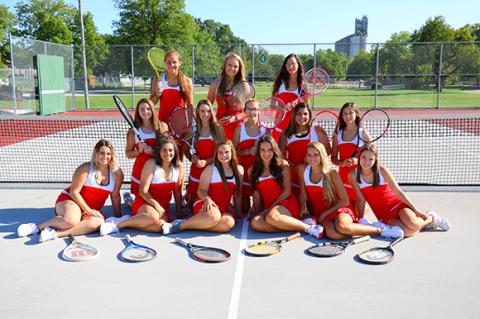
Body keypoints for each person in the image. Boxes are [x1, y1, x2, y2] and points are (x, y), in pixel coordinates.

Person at [17, 139, 124, 242]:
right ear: (96, 153)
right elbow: (74, 192)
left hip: (91, 208)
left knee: (97, 223)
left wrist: (118, 218)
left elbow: (115, 196)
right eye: (102, 153)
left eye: (108, 153)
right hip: (71, 200)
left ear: (112, 155)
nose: (105, 156)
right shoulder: (86, 168)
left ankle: (55, 234)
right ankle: (36, 227)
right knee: (70, 221)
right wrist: (88, 210)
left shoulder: (116, 174)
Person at [298, 142, 404, 240]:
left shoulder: (332, 174)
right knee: (332, 234)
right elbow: (303, 193)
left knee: (342, 227)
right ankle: (359, 228)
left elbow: (345, 201)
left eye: (316, 154)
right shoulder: (303, 170)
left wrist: (325, 213)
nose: (312, 158)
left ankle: (381, 230)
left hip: (339, 208)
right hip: (322, 213)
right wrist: (304, 208)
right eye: (309, 155)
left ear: (322, 156)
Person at [349, 144, 450, 237]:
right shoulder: (353, 175)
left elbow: (398, 191)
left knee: (414, 225)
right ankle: (426, 223)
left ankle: (432, 218)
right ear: (359, 157)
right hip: (383, 214)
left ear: (375, 160)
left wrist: (416, 211)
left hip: (397, 205)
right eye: (364, 157)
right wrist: (361, 219)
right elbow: (361, 199)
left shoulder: (382, 170)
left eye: (371, 159)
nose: (366, 161)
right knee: (407, 232)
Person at [100, 135, 184, 235]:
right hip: (145, 202)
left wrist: (179, 213)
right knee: (153, 217)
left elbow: (178, 191)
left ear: (175, 151)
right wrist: (158, 206)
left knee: (162, 226)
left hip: (162, 207)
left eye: (170, 150)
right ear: (159, 151)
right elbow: (143, 192)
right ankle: (117, 225)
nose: (167, 153)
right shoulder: (151, 164)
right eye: (164, 150)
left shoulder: (179, 167)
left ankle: (134, 220)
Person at [249, 135, 323, 238]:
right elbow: (258, 194)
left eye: (270, 149)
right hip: (269, 208)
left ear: (274, 150)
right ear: (258, 151)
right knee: (255, 223)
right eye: (263, 150)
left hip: (286, 203)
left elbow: (287, 191)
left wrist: (270, 208)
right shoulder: (252, 170)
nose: (266, 153)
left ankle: (310, 228)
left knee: (272, 217)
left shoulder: (283, 165)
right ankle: (298, 225)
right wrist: (257, 211)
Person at [162, 140, 244, 234]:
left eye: (227, 152)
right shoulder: (210, 169)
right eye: (220, 152)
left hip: (223, 208)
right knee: (214, 216)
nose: (223, 155)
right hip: (204, 202)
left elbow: (238, 193)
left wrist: (238, 213)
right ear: (216, 154)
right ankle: (178, 226)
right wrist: (207, 199)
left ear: (232, 153)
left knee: (228, 223)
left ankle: (192, 225)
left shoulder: (239, 170)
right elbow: (201, 190)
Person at [278, 102, 331, 196]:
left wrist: (313, 160)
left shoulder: (317, 130)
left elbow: (327, 151)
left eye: (305, 114)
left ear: (310, 115)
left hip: (314, 176)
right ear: (294, 115)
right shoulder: (285, 133)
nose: (302, 117)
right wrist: (294, 167)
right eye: (298, 114)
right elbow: (280, 156)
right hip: (294, 176)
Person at [124, 98, 168, 206]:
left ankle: (129, 199)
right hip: (140, 171)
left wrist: (154, 151)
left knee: (157, 203)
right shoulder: (133, 132)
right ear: (138, 112)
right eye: (142, 109)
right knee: (141, 204)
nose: (145, 112)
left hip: (158, 170)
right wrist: (139, 151)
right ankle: (130, 200)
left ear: (153, 110)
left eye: (148, 109)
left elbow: (168, 150)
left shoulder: (162, 127)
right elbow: (128, 154)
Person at [185, 99, 225, 208]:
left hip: (214, 169)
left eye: (208, 111)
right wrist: (192, 158)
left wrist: (206, 161)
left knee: (213, 203)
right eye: (202, 111)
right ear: (197, 111)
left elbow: (223, 151)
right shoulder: (191, 130)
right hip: (196, 170)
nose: (205, 114)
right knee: (192, 206)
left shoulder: (218, 128)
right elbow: (185, 150)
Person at [331, 102, 370, 213]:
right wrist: (342, 163)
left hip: (359, 179)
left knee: (358, 214)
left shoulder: (363, 134)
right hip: (342, 179)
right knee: (343, 213)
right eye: (345, 113)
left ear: (356, 114)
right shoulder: (337, 135)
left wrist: (358, 161)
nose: (347, 116)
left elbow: (373, 158)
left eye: (350, 113)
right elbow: (333, 158)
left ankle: (367, 203)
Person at [233, 98, 266, 215]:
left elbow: (272, 153)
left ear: (259, 111)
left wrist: (260, 151)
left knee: (260, 208)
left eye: (255, 109)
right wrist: (247, 151)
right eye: (249, 109)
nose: (252, 112)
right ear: (245, 111)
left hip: (260, 174)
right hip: (244, 174)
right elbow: (233, 153)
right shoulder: (239, 129)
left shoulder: (265, 130)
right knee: (244, 209)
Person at [207, 52, 247, 140]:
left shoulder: (244, 85)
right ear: (225, 65)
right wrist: (214, 121)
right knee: (222, 152)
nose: (232, 68)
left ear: (240, 68)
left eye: (235, 66)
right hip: (220, 127)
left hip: (238, 127)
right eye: (229, 65)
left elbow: (249, 110)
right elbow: (208, 107)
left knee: (237, 153)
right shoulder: (215, 84)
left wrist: (234, 118)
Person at [150, 50, 194, 125]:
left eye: (174, 62)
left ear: (180, 63)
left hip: (181, 125)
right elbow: (151, 103)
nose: (172, 65)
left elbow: (190, 106)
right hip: (163, 125)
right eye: (168, 62)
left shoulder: (187, 81)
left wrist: (190, 126)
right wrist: (157, 95)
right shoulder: (158, 80)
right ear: (164, 63)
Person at [271, 54, 307, 140]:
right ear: (285, 66)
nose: (291, 66)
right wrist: (282, 108)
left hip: (296, 126)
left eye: (293, 64)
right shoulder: (280, 83)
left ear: (298, 65)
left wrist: (296, 105)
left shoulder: (303, 85)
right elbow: (272, 105)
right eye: (288, 64)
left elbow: (306, 108)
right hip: (280, 123)